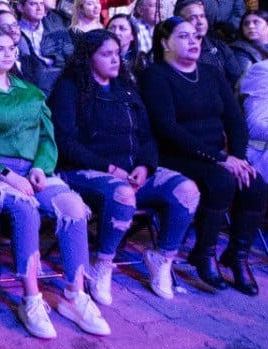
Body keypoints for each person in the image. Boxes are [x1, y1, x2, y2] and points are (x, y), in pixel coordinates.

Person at [0, 28, 109, 339]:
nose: (8, 53)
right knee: (25, 208)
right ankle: (31, 299)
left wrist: (42, 168)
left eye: (12, 47)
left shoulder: (30, 91)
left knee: (72, 206)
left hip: (35, 170)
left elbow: (48, 137)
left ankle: (75, 294)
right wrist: (7, 175)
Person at [48, 31, 198, 304]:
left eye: (117, 54)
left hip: (131, 171)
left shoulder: (126, 88)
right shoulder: (70, 88)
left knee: (187, 190)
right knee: (122, 193)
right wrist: (110, 168)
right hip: (83, 171)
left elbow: (147, 136)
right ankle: (103, 263)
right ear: (87, 58)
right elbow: (65, 142)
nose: (115, 60)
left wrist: (145, 165)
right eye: (106, 54)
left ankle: (162, 258)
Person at [139, 18, 267, 295]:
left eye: (196, 37)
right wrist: (219, 159)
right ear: (165, 43)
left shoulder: (211, 73)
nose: (194, 41)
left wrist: (239, 157)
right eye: (184, 36)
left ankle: (237, 256)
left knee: (254, 183)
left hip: (216, 157)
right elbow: (167, 128)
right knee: (221, 181)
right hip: (174, 154)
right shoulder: (155, 75)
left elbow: (236, 121)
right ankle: (204, 254)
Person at [14, 0, 73, 94]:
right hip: (28, 81)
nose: (39, 8)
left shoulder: (57, 30)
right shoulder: (13, 31)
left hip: (56, 77)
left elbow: (71, 58)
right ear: (20, 7)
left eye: (41, 4)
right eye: (33, 4)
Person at [176, 0, 240, 89]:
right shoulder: (175, 52)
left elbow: (237, 80)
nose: (200, 22)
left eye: (202, 16)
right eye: (193, 18)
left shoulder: (220, 47)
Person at [230, 10, 268, 81]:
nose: (251, 26)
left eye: (256, 22)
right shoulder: (240, 51)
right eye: (246, 24)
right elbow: (246, 81)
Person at [105, 14, 145, 79]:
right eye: (112, 28)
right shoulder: (98, 58)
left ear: (132, 36)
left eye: (122, 29)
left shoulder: (140, 60)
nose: (116, 32)